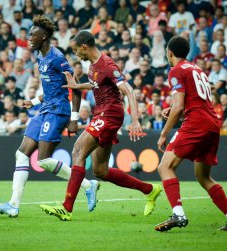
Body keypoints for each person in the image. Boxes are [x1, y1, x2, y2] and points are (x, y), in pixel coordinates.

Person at [40, 31, 161, 221]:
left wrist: (135, 119)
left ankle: (66, 208)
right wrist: (76, 86)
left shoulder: (106, 64)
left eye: (76, 50)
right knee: (100, 170)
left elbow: (128, 90)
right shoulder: (93, 65)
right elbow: (96, 84)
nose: (76, 54)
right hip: (102, 114)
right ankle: (150, 189)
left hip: (110, 114)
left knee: (78, 151)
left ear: (84, 47)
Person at [0, 16, 98, 218]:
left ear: (44, 36)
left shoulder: (57, 58)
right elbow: (51, 89)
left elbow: (75, 88)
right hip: (44, 110)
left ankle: (88, 185)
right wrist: (33, 102)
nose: (29, 38)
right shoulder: (41, 57)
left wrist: (75, 118)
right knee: (22, 154)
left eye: (33, 35)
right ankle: (13, 205)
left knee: (43, 160)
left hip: (58, 111)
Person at [155, 36, 227, 231]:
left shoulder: (175, 70)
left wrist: (163, 133)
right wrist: (176, 108)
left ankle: (178, 215)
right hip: (212, 124)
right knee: (203, 177)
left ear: (170, 52)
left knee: (164, 167)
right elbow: (195, 99)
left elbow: (179, 107)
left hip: (196, 124)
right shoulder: (197, 69)